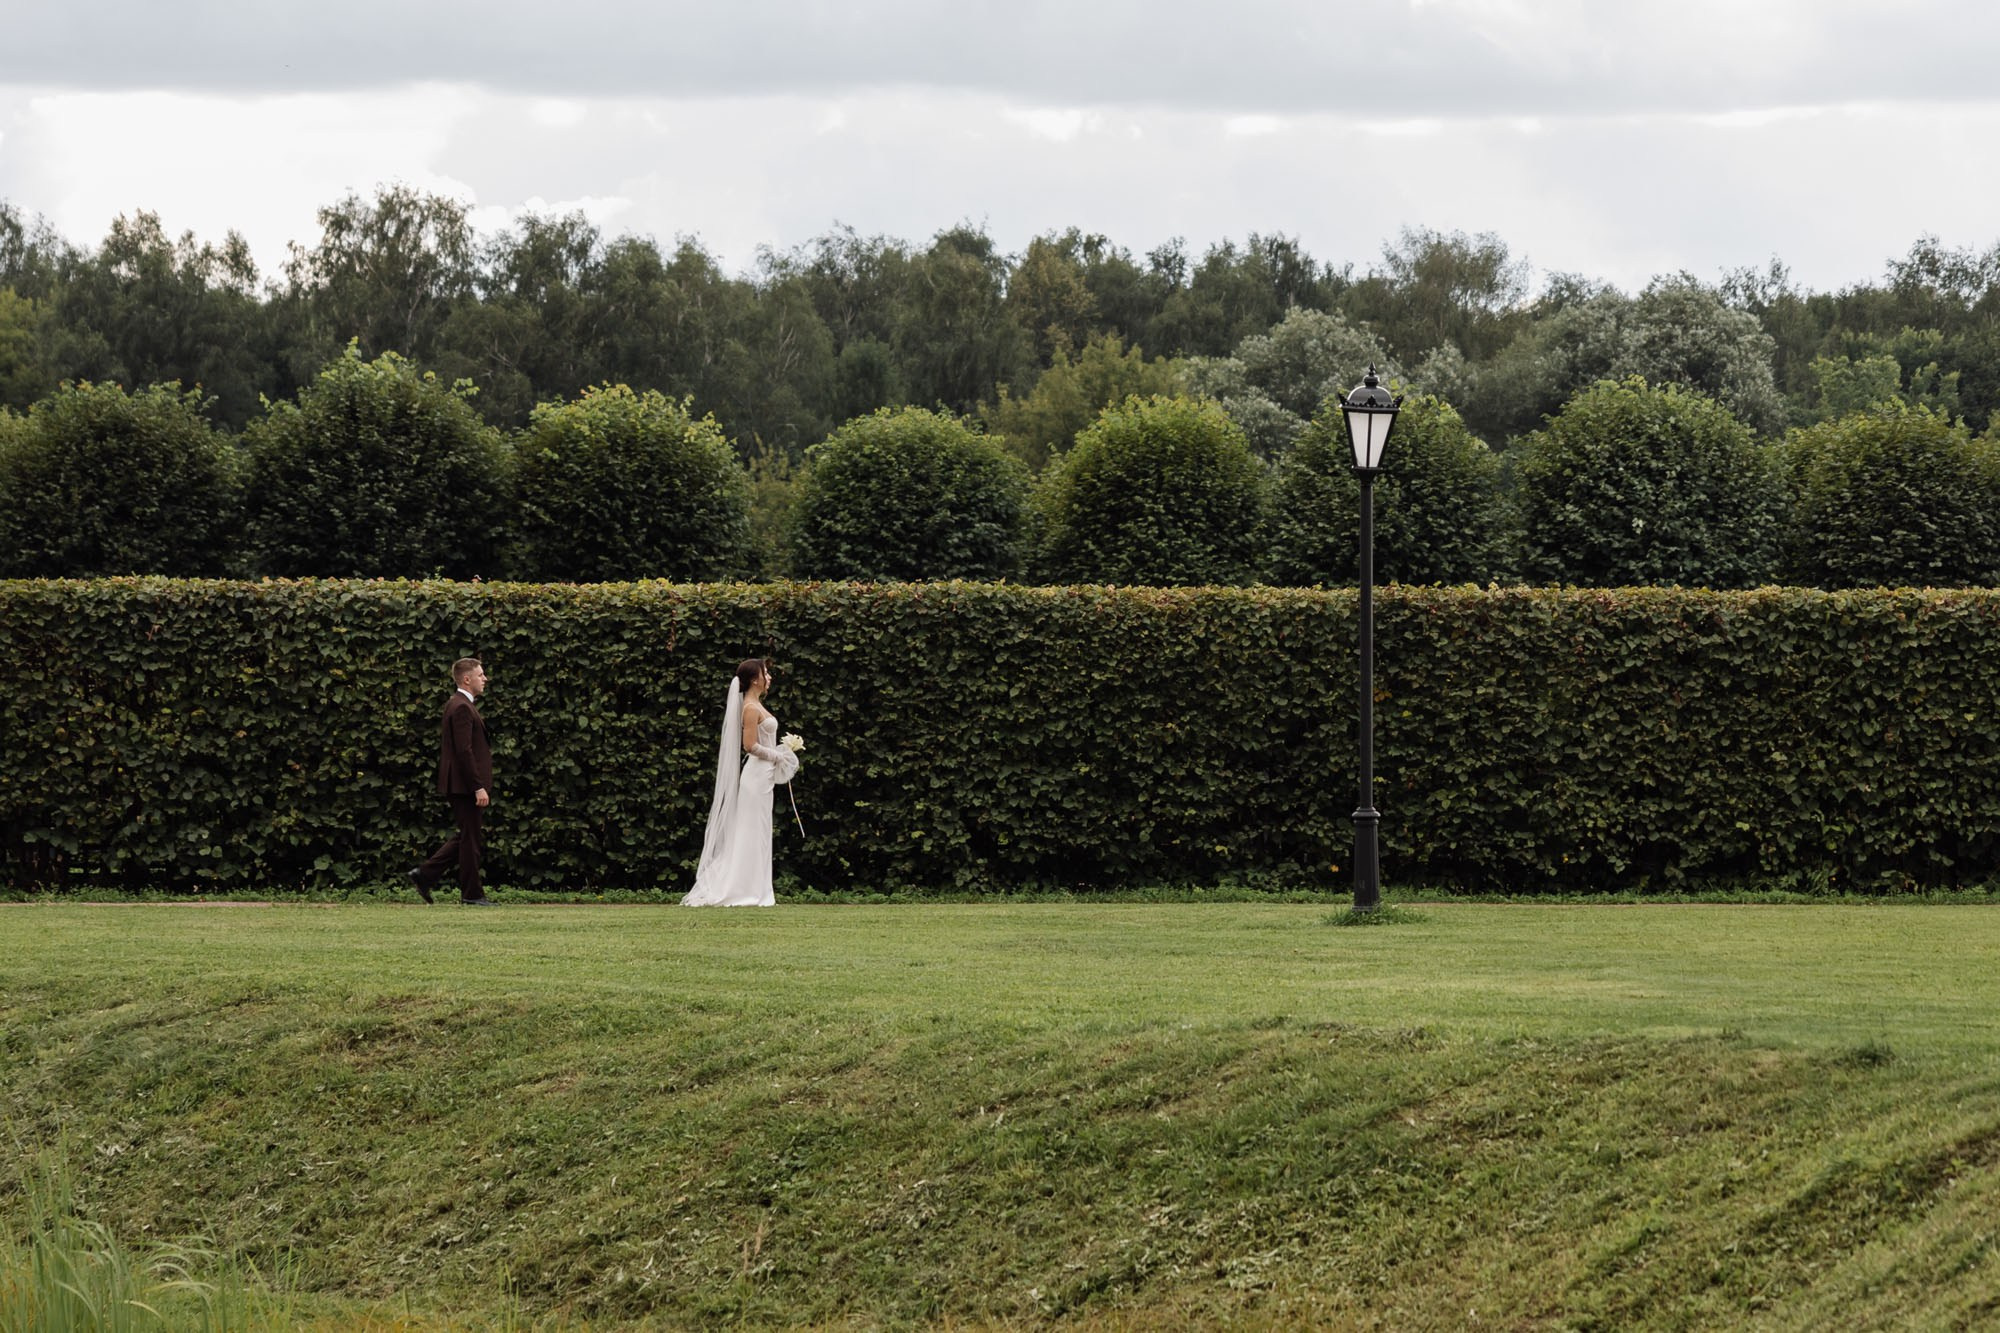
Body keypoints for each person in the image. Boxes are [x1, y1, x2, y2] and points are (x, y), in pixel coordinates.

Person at [684, 658, 798, 906]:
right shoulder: (750, 708)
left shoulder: (757, 705)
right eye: (766, 673)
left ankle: (758, 888)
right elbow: (749, 745)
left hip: (764, 776)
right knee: (750, 831)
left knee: (760, 830)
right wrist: (778, 755)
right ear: (755, 679)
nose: (769, 677)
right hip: (756, 777)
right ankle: (743, 889)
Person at [411, 657, 497, 905]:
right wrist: (477, 786)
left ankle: (424, 875)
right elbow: (464, 751)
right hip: (464, 786)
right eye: (481, 675)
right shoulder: (460, 706)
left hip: (462, 784)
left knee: (467, 836)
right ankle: (471, 895)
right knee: (470, 839)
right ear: (467, 679)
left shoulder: (460, 704)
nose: (485, 679)